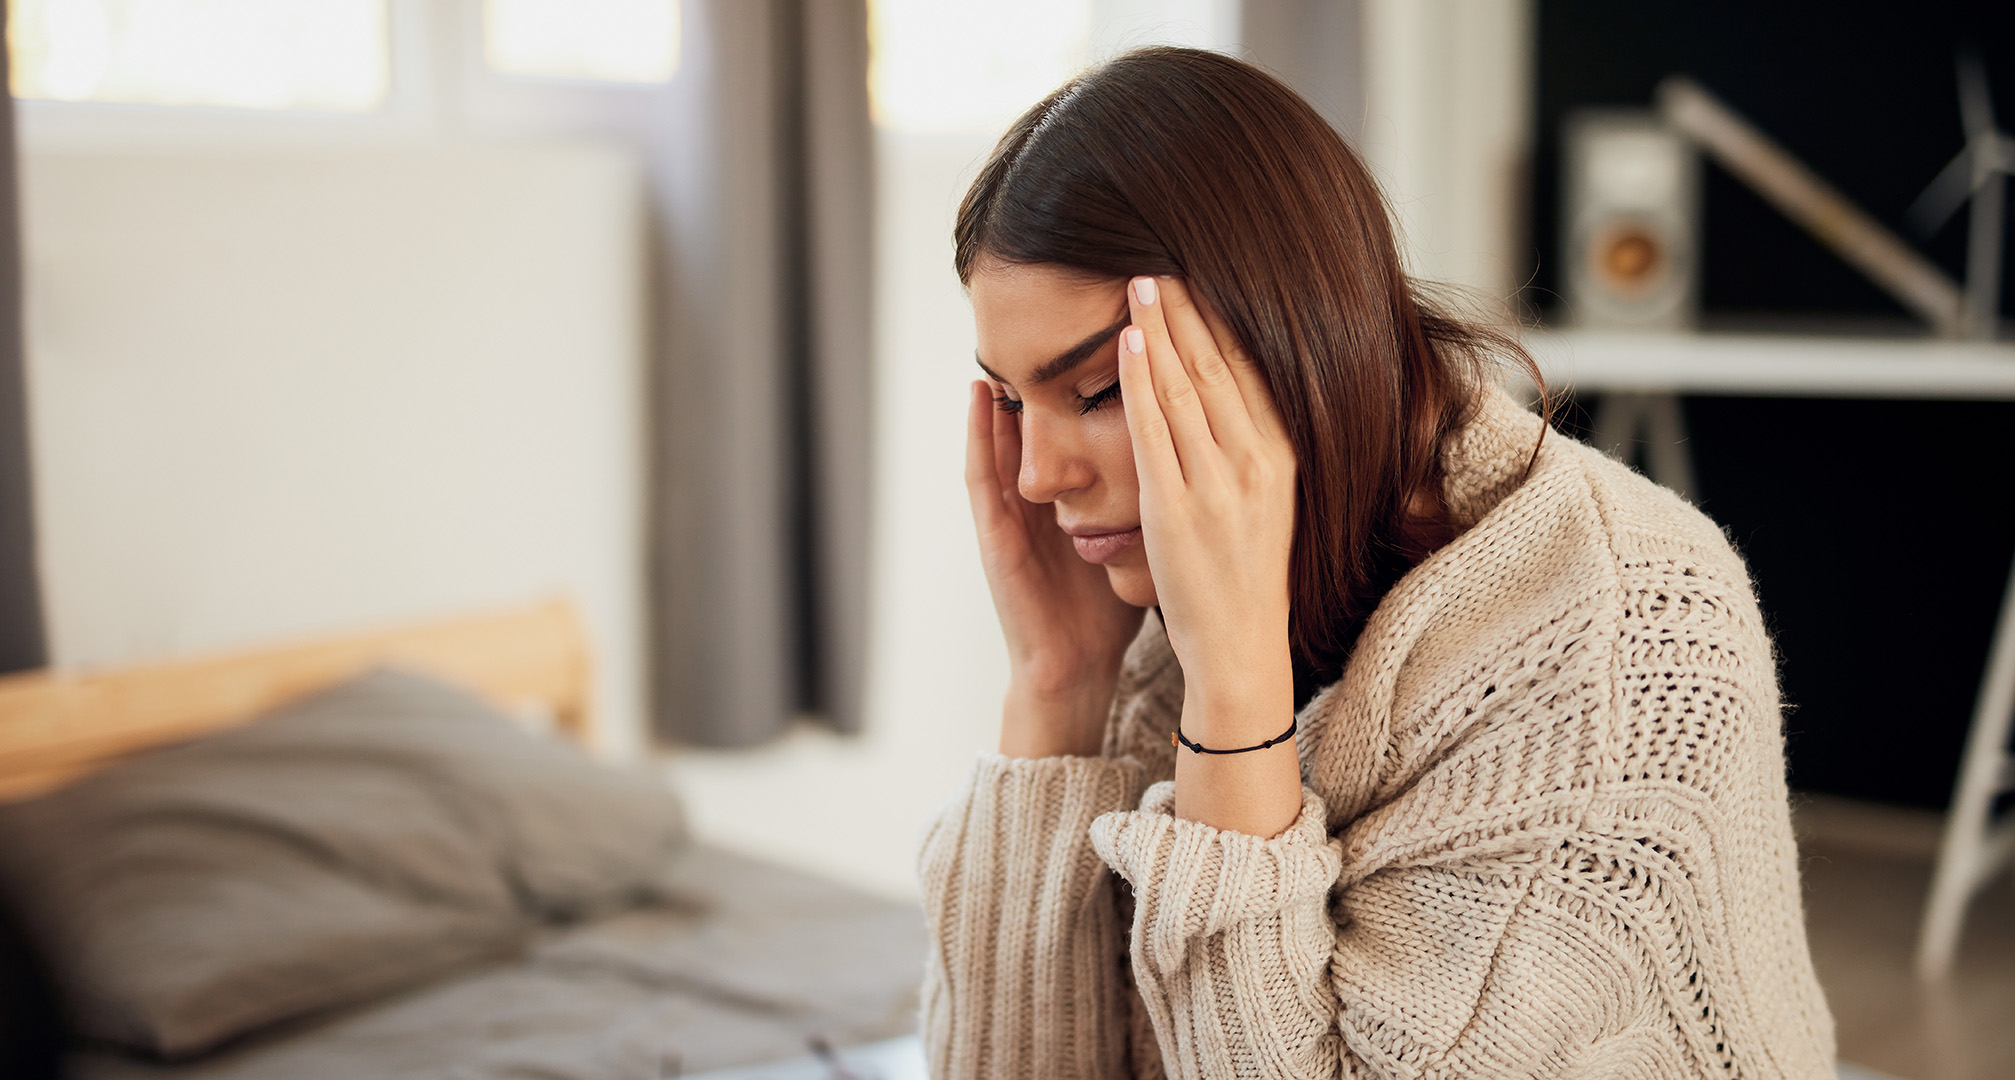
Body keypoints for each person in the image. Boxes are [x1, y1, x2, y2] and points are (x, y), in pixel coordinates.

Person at [918, 46, 1835, 1079]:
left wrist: (1235, 694)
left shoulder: (1624, 640)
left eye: (1094, 392)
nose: (1037, 477)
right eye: (1006, 400)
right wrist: (1056, 684)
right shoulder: (1150, 630)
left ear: (1285, 337)